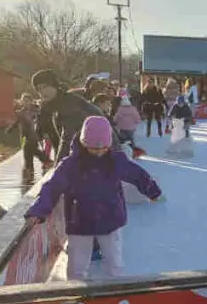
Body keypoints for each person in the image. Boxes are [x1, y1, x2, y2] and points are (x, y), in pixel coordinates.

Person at [24, 116, 162, 280]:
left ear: (109, 144)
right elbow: (52, 188)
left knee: (114, 261)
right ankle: (75, 292)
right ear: (83, 142)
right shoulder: (70, 165)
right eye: (93, 148)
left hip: (111, 218)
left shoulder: (116, 160)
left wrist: (152, 191)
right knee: (77, 264)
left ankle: (114, 287)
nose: (98, 152)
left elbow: (138, 175)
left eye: (103, 148)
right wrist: (38, 210)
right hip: (80, 221)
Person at [32, 69, 117, 162]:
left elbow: (67, 141)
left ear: (54, 85)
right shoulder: (56, 105)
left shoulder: (68, 105)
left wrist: (58, 168)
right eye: (38, 89)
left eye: (45, 86)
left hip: (103, 153)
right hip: (94, 154)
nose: (42, 92)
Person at [7, 94, 51, 178]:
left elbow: (41, 122)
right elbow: (16, 122)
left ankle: (45, 160)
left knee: (32, 149)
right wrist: (10, 129)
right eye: (24, 101)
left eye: (27, 101)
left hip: (33, 135)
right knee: (27, 153)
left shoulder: (36, 111)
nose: (26, 102)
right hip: (24, 137)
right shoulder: (21, 113)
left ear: (31, 101)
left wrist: (44, 132)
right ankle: (30, 169)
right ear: (21, 102)